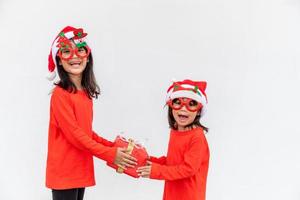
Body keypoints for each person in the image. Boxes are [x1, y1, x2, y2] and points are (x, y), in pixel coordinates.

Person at [45, 26, 137, 200]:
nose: (74, 57)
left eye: (80, 50)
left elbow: (85, 132)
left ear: (88, 57)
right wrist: (109, 154)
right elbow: (75, 135)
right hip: (64, 171)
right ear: (59, 59)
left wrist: (113, 147)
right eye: (66, 52)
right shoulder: (60, 95)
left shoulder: (85, 93)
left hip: (80, 168)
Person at [137, 79, 210, 200]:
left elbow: (188, 169)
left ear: (198, 111)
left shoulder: (197, 137)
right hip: (172, 194)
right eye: (178, 102)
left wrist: (156, 171)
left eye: (191, 104)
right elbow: (173, 162)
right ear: (171, 107)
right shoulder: (176, 132)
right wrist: (149, 161)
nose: (184, 109)